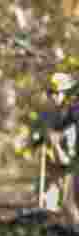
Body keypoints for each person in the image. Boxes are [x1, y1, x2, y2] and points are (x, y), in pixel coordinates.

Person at [33, 72, 79, 224]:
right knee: (50, 204)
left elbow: (65, 136)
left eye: (56, 93)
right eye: (50, 92)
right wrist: (42, 138)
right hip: (55, 166)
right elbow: (42, 136)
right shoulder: (49, 114)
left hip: (70, 166)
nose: (53, 96)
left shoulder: (74, 111)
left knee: (68, 204)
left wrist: (55, 140)